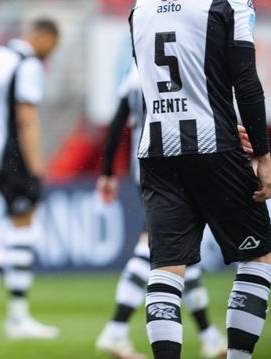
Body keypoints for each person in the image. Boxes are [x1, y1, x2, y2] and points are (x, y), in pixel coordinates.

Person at [129, 0, 271, 359]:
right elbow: (244, 81)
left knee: (165, 269)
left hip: (156, 149)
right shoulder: (232, 1)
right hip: (214, 146)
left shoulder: (141, 2)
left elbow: (152, 80)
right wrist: (263, 152)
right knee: (257, 257)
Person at [95, 64, 231, 359]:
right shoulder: (177, 58)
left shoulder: (135, 68)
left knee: (183, 255)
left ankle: (209, 337)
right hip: (171, 166)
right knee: (155, 248)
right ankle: (115, 330)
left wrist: (106, 172)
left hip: (143, 166)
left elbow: (119, 121)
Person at [0, 18, 60, 339]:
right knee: (24, 228)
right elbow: (26, 119)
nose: (52, 53)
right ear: (44, 37)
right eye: (53, 45)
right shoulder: (28, 65)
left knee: (18, 226)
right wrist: (36, 166)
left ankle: (7, 305)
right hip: (14, 154)